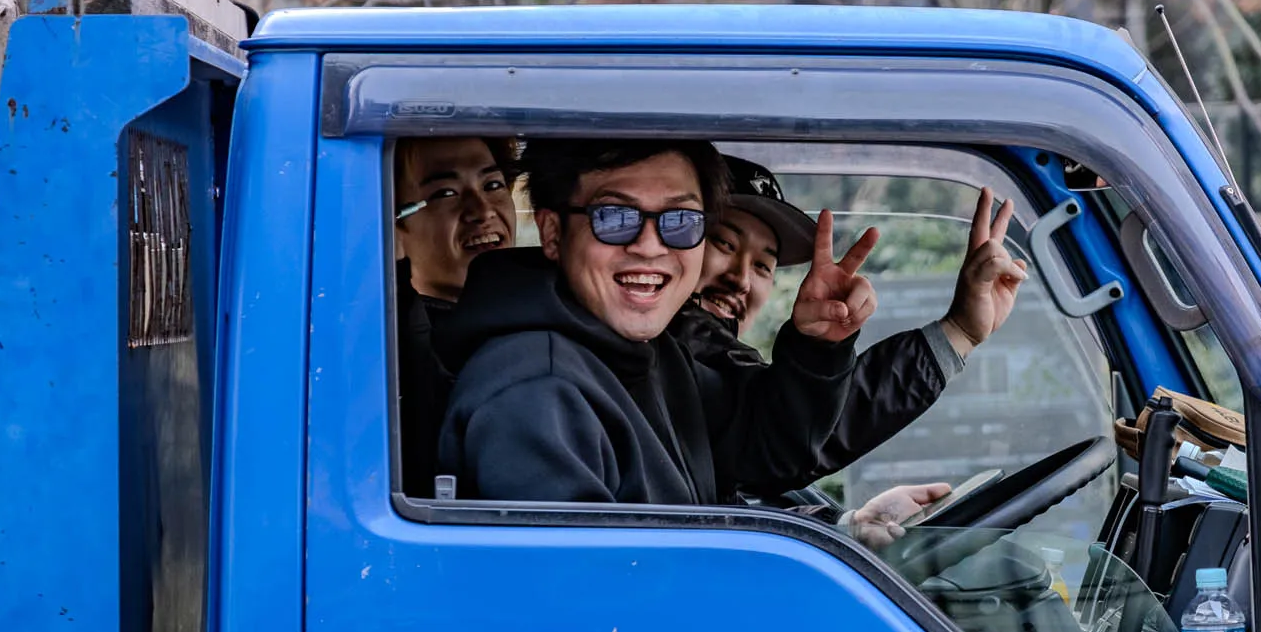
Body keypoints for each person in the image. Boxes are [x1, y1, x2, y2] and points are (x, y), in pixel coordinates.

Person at [435, 139, 921, 531]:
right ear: (553, 232)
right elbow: (590, 614)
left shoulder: (649, 352)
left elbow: (765, 454)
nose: (649, 246)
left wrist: (818, 345)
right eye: (614, 217)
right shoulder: (536, 391)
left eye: (681, 221)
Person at [675, 156, 1029, 545]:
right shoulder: (666, 349)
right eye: (724, 243)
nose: (741, 278)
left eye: (763, 266)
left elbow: (739, 491)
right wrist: (957, 331)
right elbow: (780, 432)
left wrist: (847, 527)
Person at [393, 136, 518, 500]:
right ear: (392, 227)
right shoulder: (394, 351)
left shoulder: (548, 315)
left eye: (493, 185)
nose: (482, 210)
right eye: (445, 194)